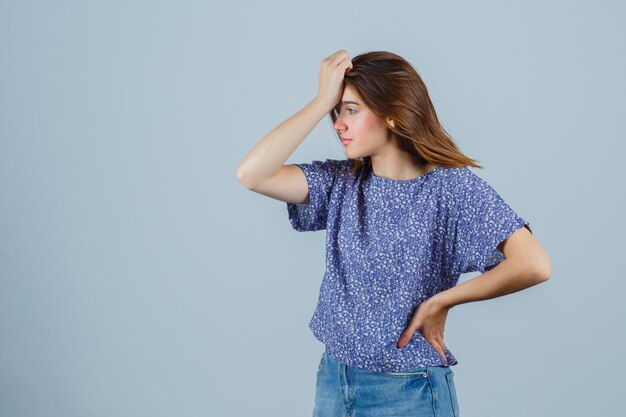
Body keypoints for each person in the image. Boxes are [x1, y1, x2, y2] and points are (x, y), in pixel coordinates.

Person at [236, 49, 552, 417]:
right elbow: (252, 174)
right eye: (336, 112)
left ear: (393, 115)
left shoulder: (451, 188)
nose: (338, 123)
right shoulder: (342, 182)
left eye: (351, 110)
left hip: (408, 389)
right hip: (335, 380)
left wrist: (442, 301)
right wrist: (322, 100)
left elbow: (534, 264)